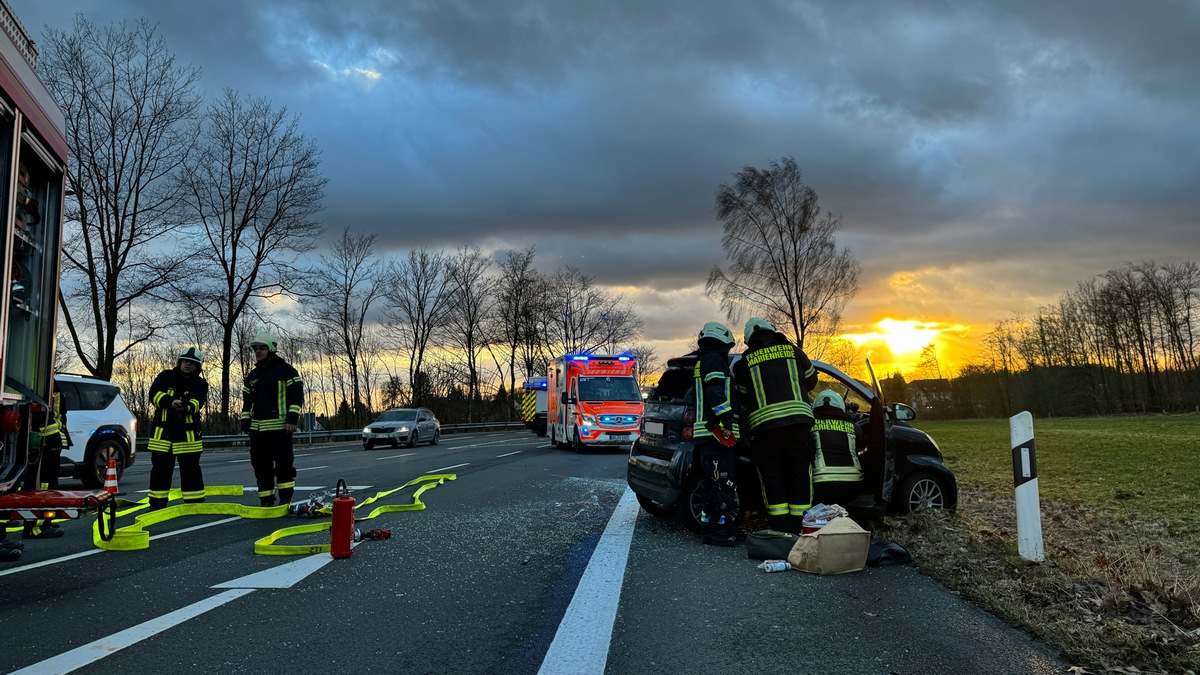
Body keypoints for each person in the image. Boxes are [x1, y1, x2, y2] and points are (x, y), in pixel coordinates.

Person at [732, 318, 819, 534]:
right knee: (799, 473)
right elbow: (811, 381)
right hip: (798, 425)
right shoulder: (794, 351)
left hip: (765, 429)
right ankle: (802, 527)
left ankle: (780, 529)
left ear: (749, 339)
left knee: (771, 476)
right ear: (773, 331)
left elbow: (742, 398)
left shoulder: (745, 362)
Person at [691, 321, 742, 546]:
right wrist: (727, 418)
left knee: (722, 484)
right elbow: (715, 391)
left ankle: (725, 527)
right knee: (718, 484)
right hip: (715, 435)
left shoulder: (704, 359)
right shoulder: (712, 359)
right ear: (723, 340)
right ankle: (713, 531)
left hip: (712, 434)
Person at [241, 331, 303, 507]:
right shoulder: (252, 376)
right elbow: (247, 402)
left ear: (271, 349)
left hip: (280, 429)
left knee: (284, 467)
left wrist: (292, 419)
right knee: (261, 467)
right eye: (256, 349)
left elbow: (296, 397)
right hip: (257, 431)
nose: (258, 352)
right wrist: (245, 421)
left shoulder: (286, 371)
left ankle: (285, 499)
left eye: (262, 348)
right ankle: (266, 500)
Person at [147, 347, 210, 509]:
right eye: (185, 361)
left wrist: (186, 408)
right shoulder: (165, 376)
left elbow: (198, 402)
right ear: (180, 362)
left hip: (187, 436)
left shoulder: (200, 384)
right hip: (163, 434)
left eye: (193, 363)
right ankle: (157, 503)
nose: (188, 364)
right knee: (160, 470)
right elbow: (153, 394)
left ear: (198, 367)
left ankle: (194, 503)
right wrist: (170, 401)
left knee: (191, 470)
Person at [22, 390, 67, 539]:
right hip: (45, 442)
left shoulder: (49, 381)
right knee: (43, 484)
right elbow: (41, 412)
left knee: (46, 483)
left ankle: (43, 522)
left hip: (47, 440)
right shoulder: (44, 381)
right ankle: (37, 527)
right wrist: (52, 439)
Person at [811, 389, 866, 508]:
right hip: (853, 485)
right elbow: (860, 446)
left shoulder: (810, 426)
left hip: (821, 485)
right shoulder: (853, 426)